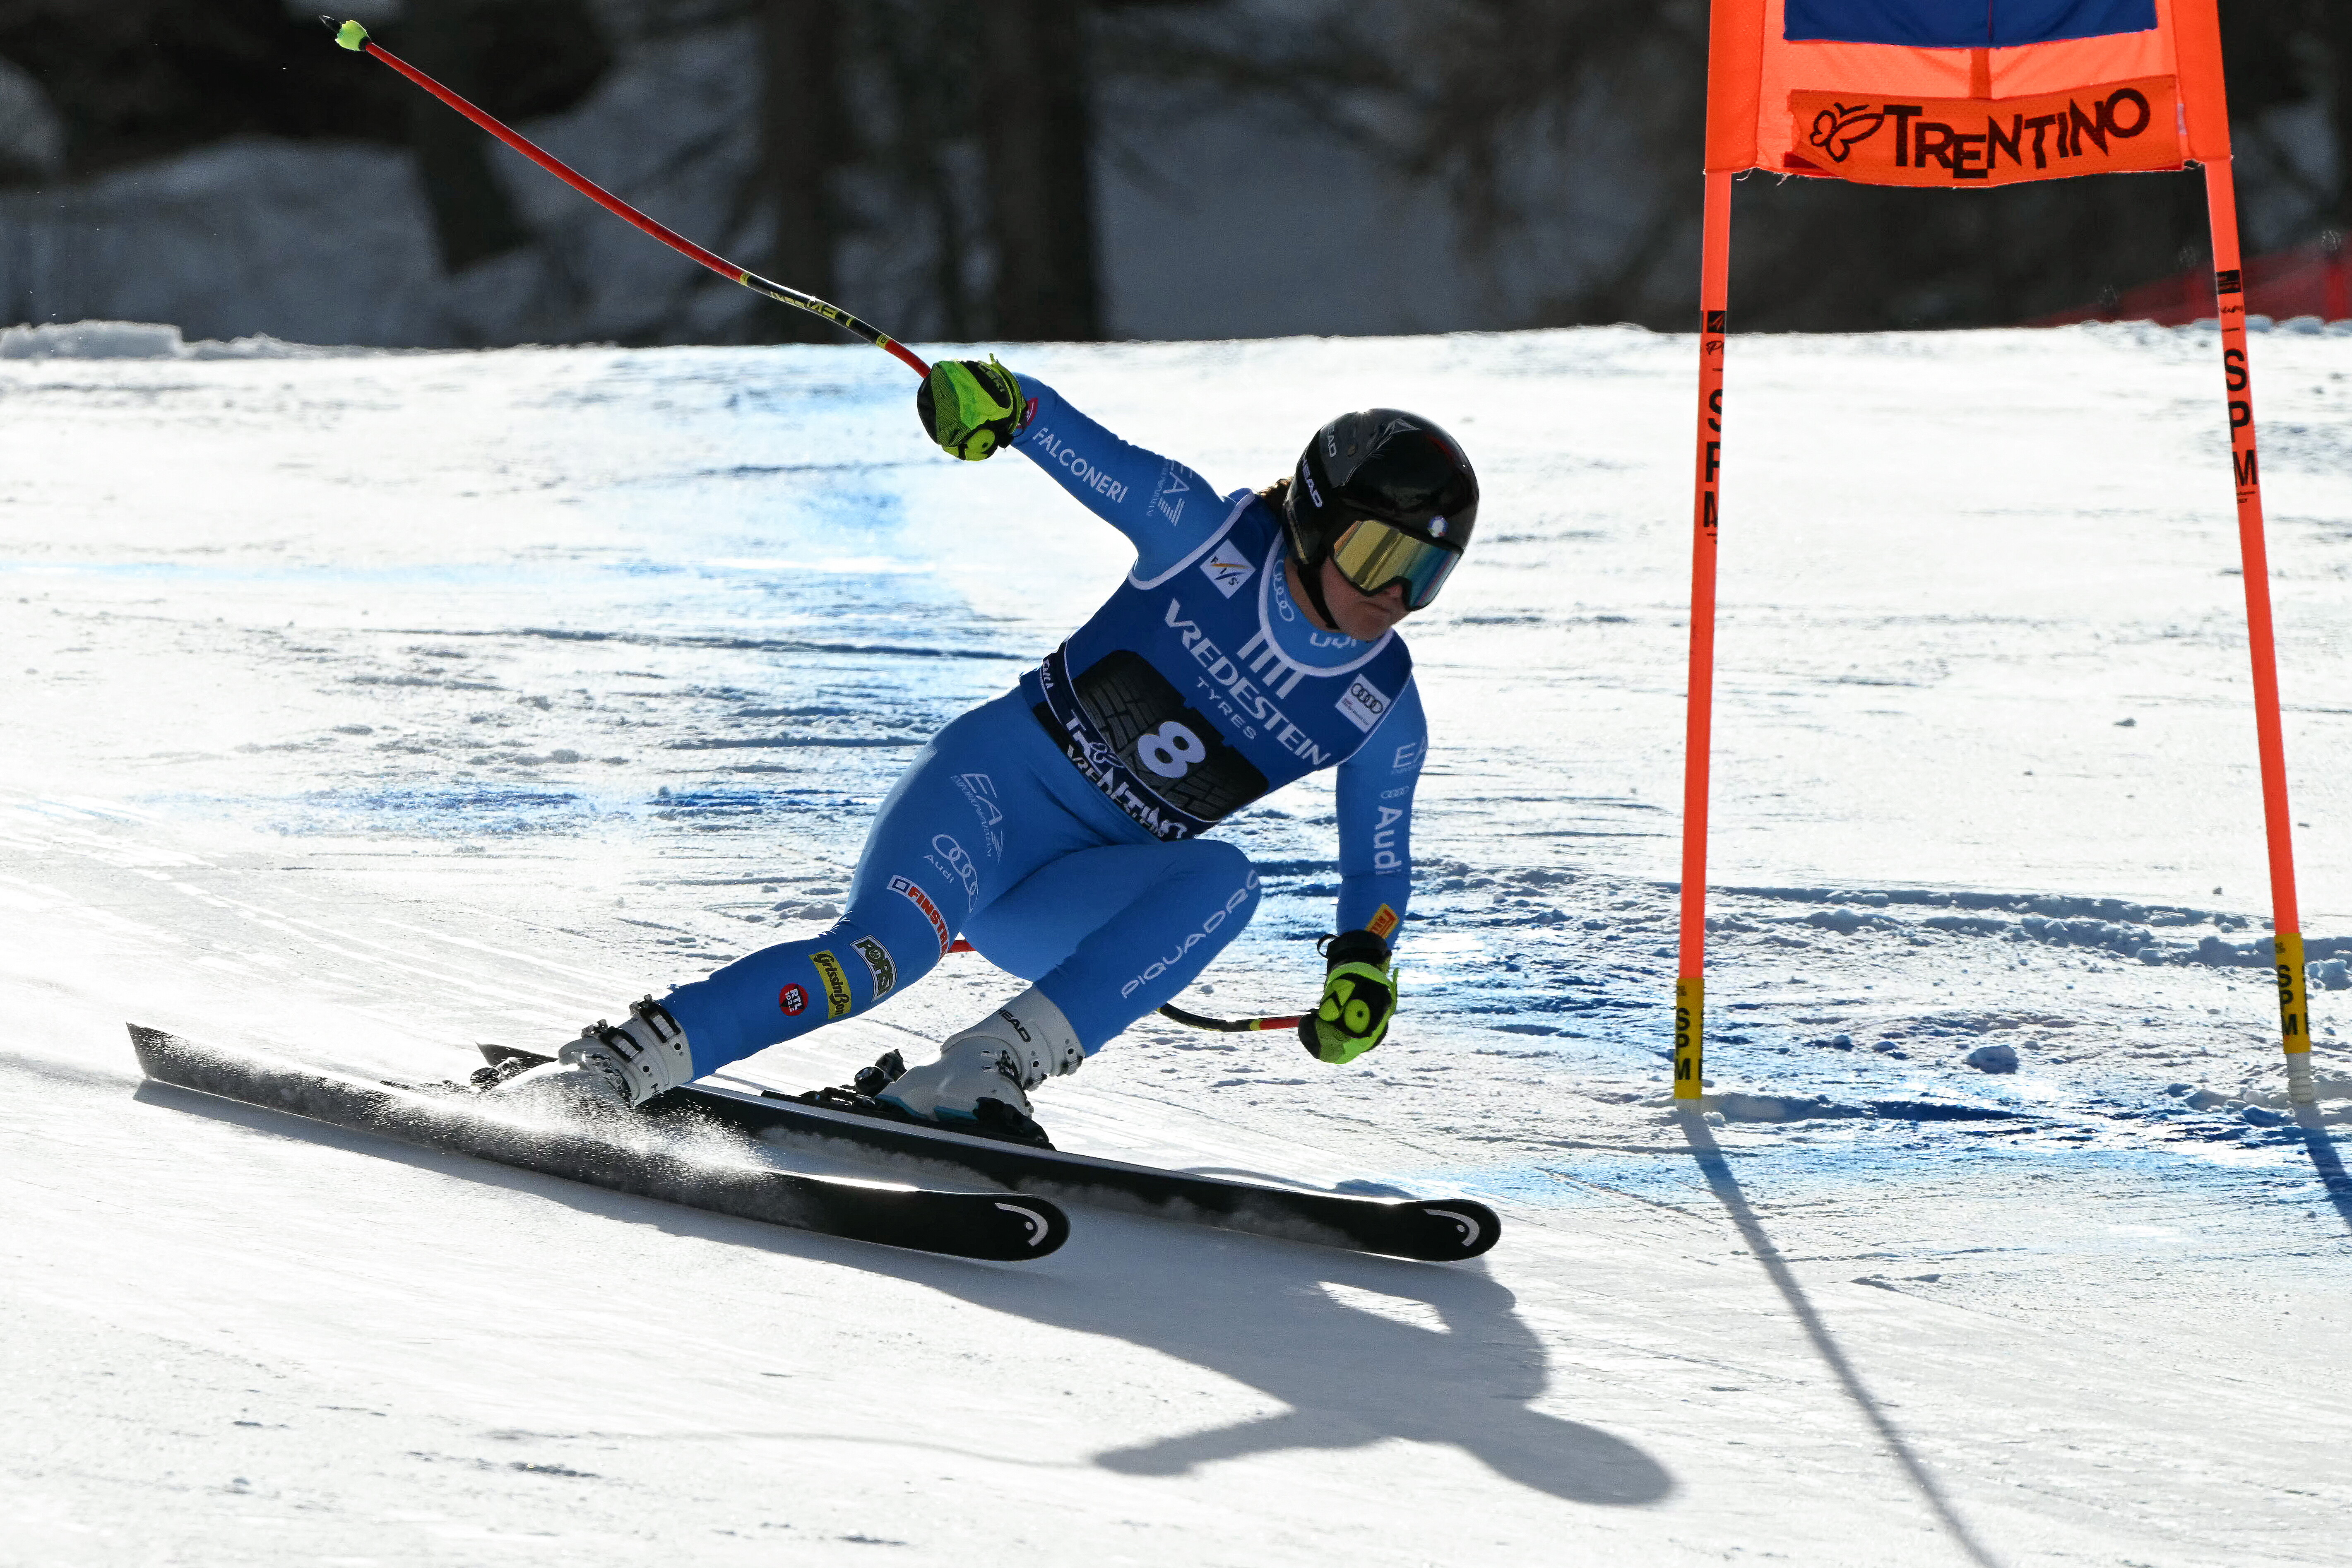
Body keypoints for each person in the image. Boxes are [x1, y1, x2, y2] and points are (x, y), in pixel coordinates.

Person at [500, 358, 1478, 1142]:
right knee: (876, 957)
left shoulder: (1381, 707)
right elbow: (1056, 430)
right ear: (1315, 515)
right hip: (991, 795)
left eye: (1422, 575)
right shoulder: (1199, 531)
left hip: (1070, 892)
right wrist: (996, 403)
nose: (1390, 596)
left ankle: (981, 1068)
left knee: (1227, 882)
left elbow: (1379, 860)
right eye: (1375, 556)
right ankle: (613, 1063)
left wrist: (1365, 962)